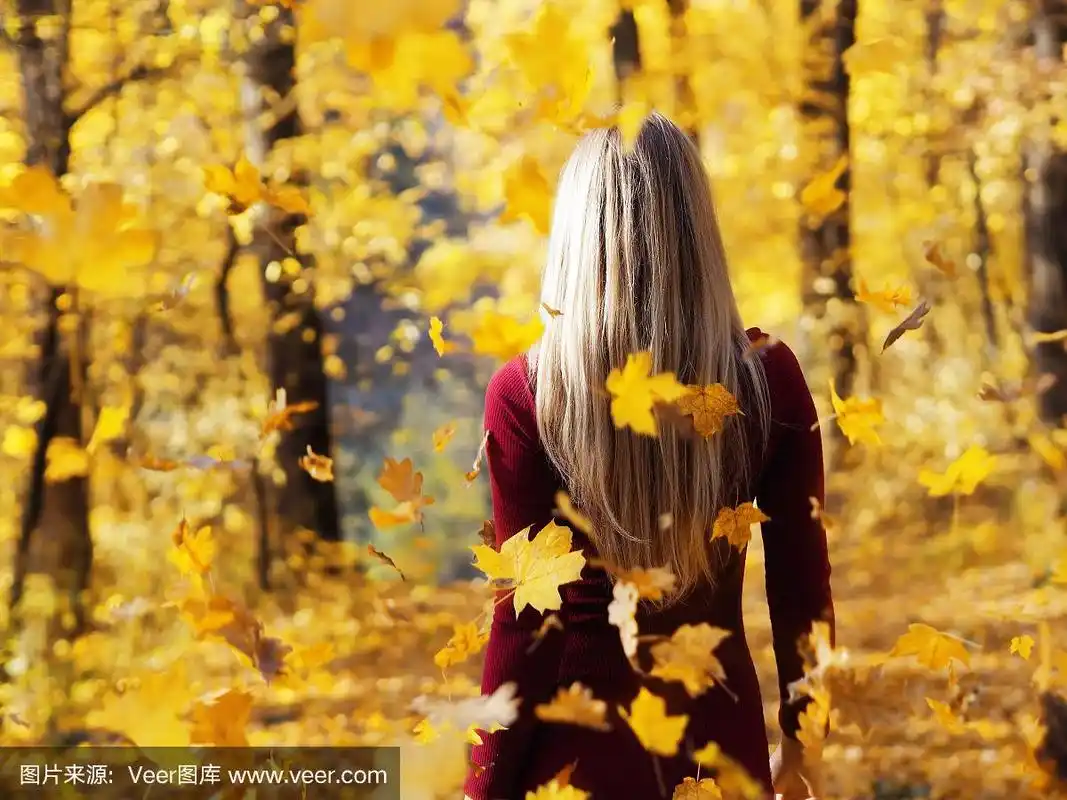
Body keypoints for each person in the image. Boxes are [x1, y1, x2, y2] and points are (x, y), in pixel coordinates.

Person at [463, 112, 835, 800]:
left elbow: (526, 627)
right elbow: (800, 594)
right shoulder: (766, 378)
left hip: (572, 759)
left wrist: (480, 788)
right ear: (696, 233)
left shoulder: (527, 395)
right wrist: (802, 743)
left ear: (576, 237)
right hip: (717, 752)